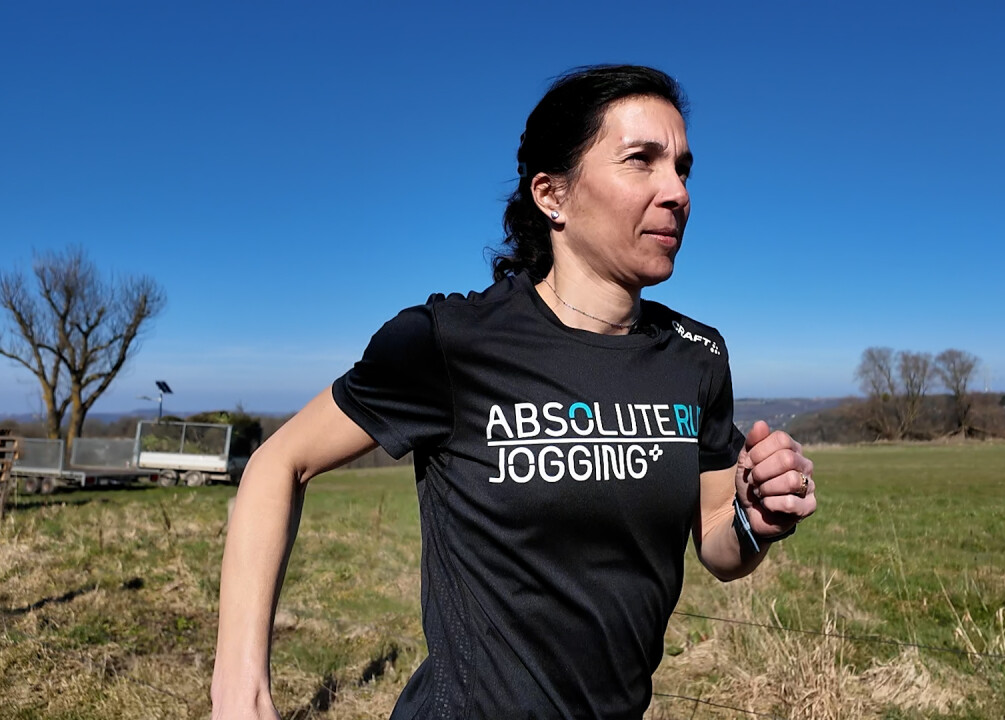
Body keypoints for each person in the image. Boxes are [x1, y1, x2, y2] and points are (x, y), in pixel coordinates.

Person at [211, 64, 818, 720]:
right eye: (640, 161)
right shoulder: (451, 341)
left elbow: (717, 542)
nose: (677, 192)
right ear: (551, 195)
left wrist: (754, 519)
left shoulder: (696, 356)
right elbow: (278, 462)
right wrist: (239, 693)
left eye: (683, 168)